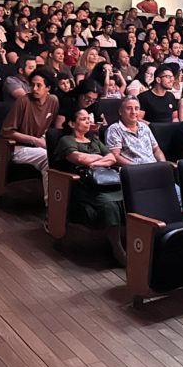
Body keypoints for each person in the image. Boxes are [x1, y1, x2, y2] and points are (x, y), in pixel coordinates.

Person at [51, 109, 126, 265]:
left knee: (127, 198)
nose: (88, 121)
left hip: (106, 181)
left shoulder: (94, 140)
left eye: (88, 119)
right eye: (83, 119)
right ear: (72, 124)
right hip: (82, 185)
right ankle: (117, 248)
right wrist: (98, 159)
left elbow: (112, 157)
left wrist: (94, 163)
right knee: (109, 204)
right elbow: (79, 158)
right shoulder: (67, 140)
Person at [0, 67, 58, 203]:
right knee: (48, 159)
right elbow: (6, 131)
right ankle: (51, 207)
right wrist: (35, 141)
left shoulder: (53, 101)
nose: (34, 89)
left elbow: (53, 127)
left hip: (43, 145)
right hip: (21, 148)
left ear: (48, 88)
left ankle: (63, 204)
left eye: (39, 85)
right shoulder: (23, 101)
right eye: (32, 85)